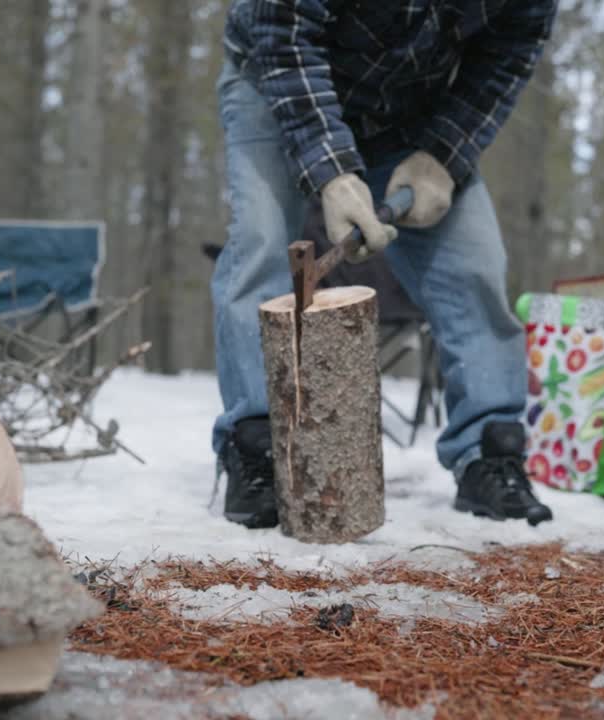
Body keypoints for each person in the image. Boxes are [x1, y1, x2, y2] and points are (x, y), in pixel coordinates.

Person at [212, 0, 559, 529]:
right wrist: (331, 169)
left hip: (412, 114)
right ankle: (256, 447)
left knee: (475, 267)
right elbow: (283, 31)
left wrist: (443, 156)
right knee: (259, 242)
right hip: (277, 79)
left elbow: (506, 59)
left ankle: (488, 453)